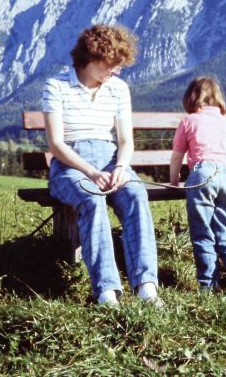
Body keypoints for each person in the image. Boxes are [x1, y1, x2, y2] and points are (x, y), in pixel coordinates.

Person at [43, 24, 160, 306]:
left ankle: (146, 287)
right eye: (111, 64)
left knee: (135, 194)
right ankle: (107, 292)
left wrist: (120, 168)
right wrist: (91, 172)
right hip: (71, 165)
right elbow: (56, 145)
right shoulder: (56, 86)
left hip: (111, 160)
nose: (115, 71)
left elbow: (125, 141)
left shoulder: (118, 89)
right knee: (91, 200)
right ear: (91, 57)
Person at [169, 76, 226, 299]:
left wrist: (173, 180)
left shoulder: (189, 121)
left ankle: (208, 287)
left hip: (203, 175)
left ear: (191, 98)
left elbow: (177, 156)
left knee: (203, 234)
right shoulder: (225, 123)